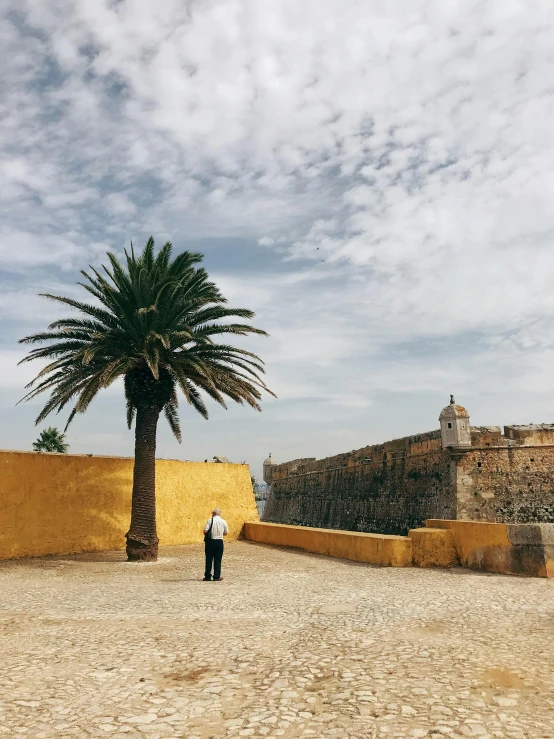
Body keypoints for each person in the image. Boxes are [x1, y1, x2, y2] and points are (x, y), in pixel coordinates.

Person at [203, 508, 229, 581]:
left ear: (213, 513)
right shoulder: (223, 521)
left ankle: (207, 576)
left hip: (210, 542)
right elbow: (226, 533)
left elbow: (205, 531)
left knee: (209, 559)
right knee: (218, 559)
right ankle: (216, 576)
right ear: (219, 514)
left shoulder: (210, 520)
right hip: (219, 542)